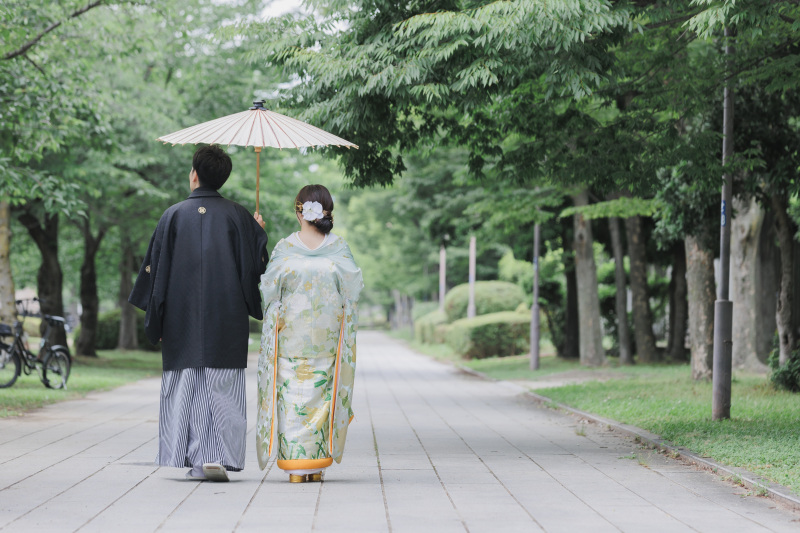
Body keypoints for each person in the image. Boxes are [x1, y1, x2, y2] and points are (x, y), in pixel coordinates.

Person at [129, 145, 269, 482]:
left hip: (182, 317)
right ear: (223, 177)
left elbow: (155, 273)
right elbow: (257, 270)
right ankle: (218, 457)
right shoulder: (239, 216)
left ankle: (194, 457)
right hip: (227, 317)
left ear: (194, 174)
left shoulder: (172, 216)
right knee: (223, 388)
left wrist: (156, 320)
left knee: (186, 387)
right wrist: (257, 233)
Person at [256, 184, 363, 483]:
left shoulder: (293, 249)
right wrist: (256, 235)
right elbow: (352, 291)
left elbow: (268, 290)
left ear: (298, 211)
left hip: (316, 343)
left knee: (312, 402)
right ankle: (301, 465)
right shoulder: (321, 248)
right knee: (296, 403)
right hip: (298, 342)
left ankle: (312, 464)